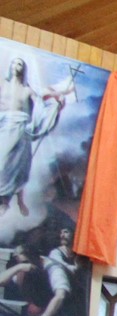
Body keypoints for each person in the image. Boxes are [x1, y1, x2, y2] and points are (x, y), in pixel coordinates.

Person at [0, 55, 70, 217]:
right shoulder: (3, 85)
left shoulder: (27, 90)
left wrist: (58, 100)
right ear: (10, 68)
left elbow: (42, 99)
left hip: (19, 129)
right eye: (14, 63)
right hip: (3, 125)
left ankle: (8, 199)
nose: (17, 66)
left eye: (20, 64)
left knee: (15, 165)